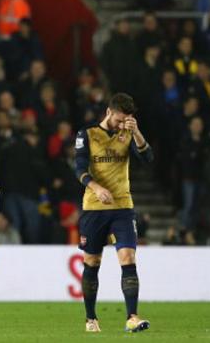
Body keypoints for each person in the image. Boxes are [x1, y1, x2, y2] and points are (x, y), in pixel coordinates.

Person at [74, 93, 153, 333]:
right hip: (94, 208)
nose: (121, 125)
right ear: (109, 112)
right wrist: (96, 187)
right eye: (119, 120)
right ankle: (91, 318)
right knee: (92, 262)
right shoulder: (86, 134)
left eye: (126, 121)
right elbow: (79, 168)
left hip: (122, 207)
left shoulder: (128, 134)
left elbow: (148, 159)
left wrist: (136, 132)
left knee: (128, 258)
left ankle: (131, 317)